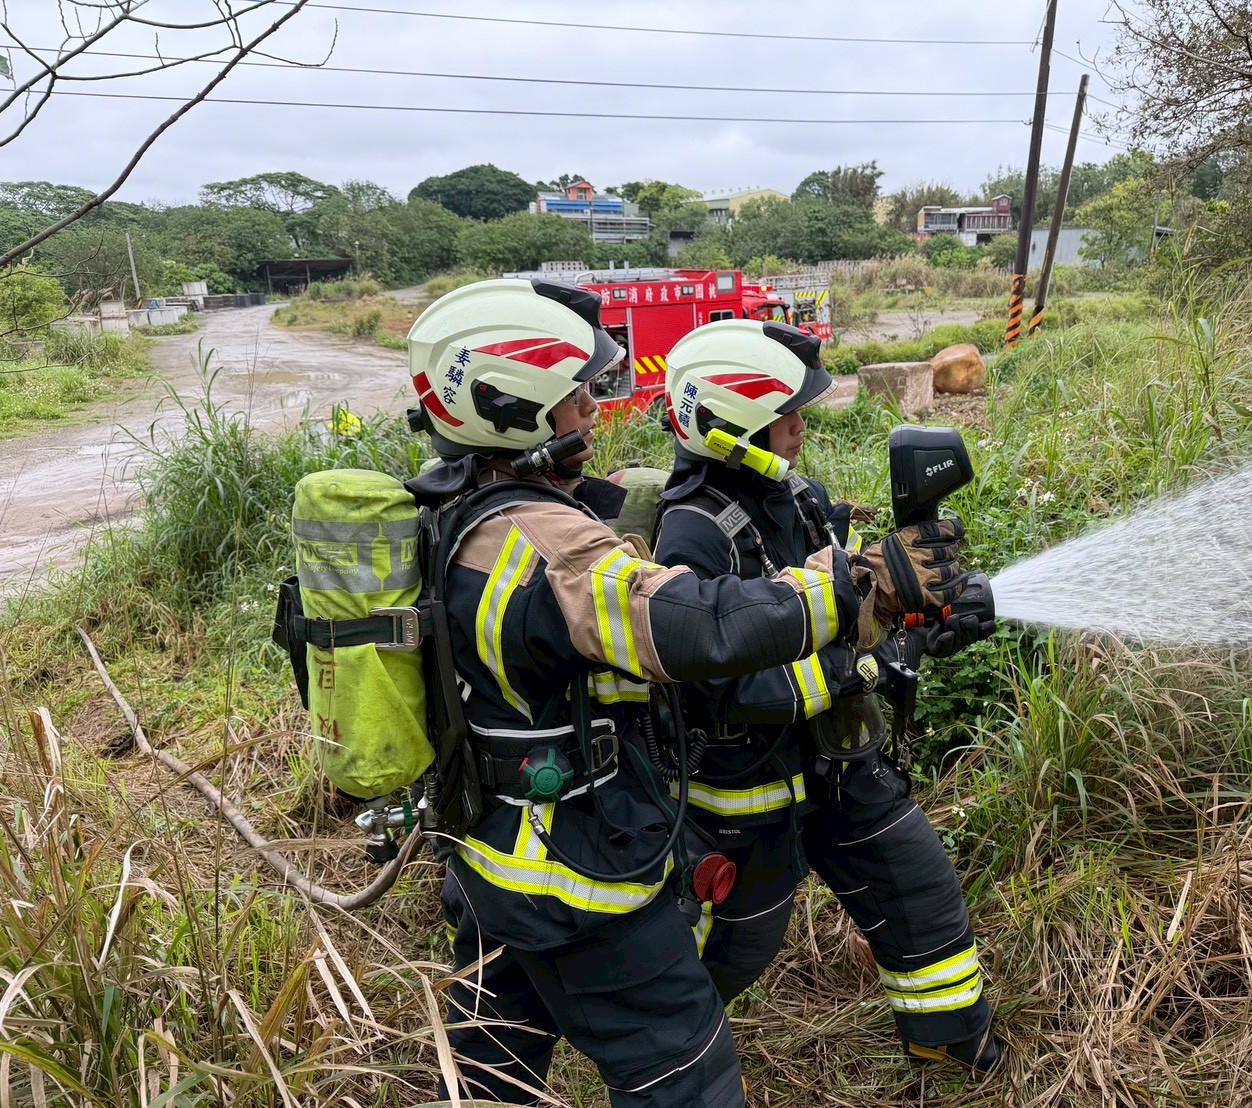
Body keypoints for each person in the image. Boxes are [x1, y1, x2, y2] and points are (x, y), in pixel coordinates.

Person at [405, 279, 971, 1106]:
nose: (593, 411)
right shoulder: (535, 538)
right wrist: (849, 588)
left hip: (498, 848)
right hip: (572, 871)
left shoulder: (459, 510)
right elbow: (690, 624)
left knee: (495, 1047)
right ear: (510, 403)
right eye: (574, 397)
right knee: (684, 1070)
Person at [651, 319, 1002, 1077]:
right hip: (749, 800)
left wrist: (927, 617)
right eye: (786, 416)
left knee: (922, 899)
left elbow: (842, 622)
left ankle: (949, 1047)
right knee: (727, 952)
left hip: (845, 766)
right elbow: (717, 680)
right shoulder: (689, 533)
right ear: (728, 425)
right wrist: (858, 659)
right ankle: (661, 1060)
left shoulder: (799, 498)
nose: (801, 428)